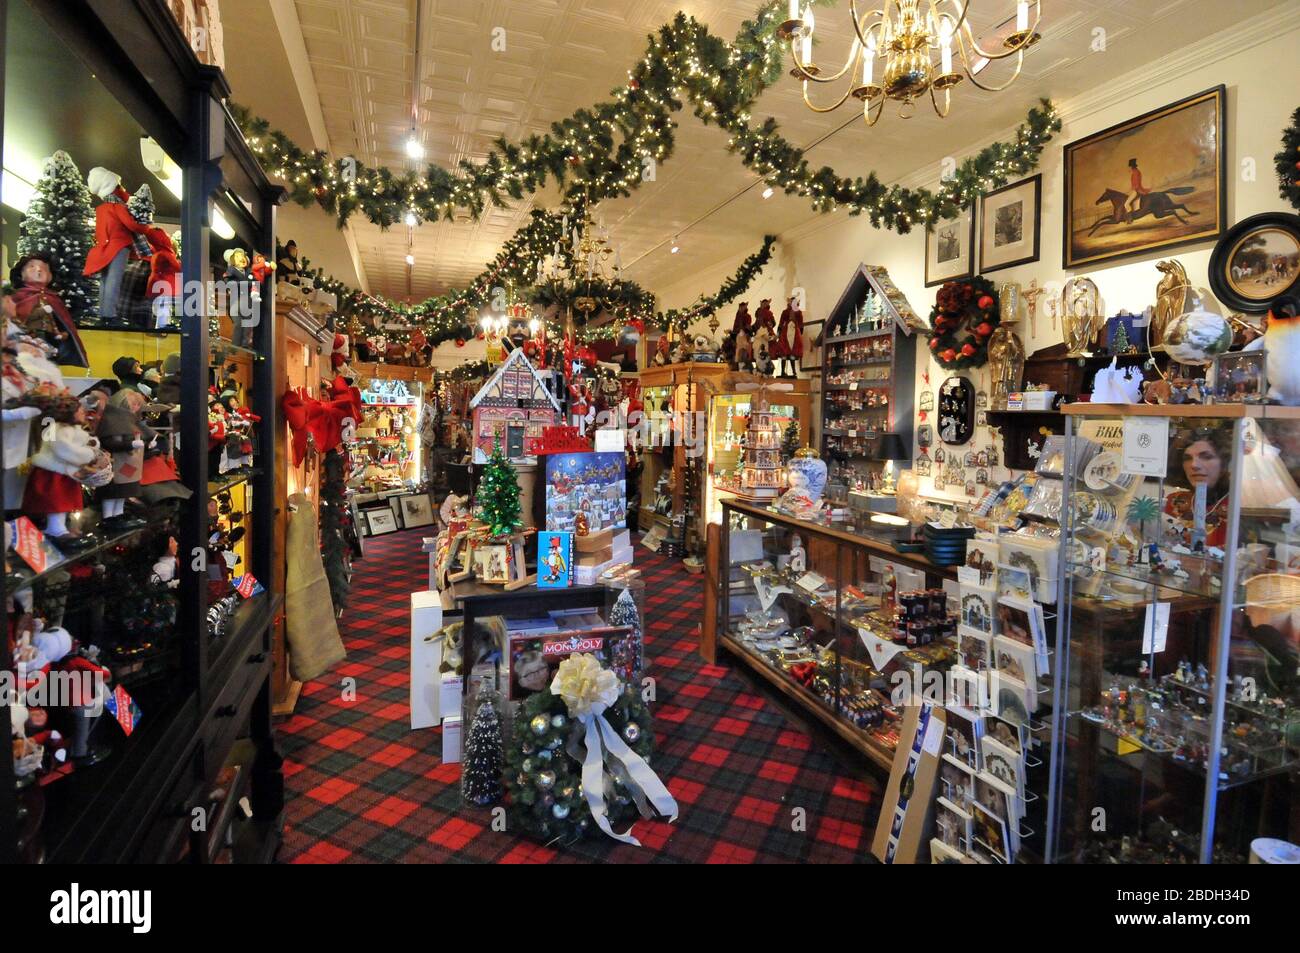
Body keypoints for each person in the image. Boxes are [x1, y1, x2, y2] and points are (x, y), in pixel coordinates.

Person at [1163, 427, 1232, 549]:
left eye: (1206, 457)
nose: (1194, 465)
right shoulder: (1173, 502)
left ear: (1225, 463)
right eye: (1187, 458)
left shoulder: (1238, 508)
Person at [1125, 157, 1150, 223]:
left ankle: (1130, 219)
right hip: (1136, 189)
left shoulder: (1135, 172)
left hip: (1137, 190)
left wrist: (1132, 190)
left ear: (1132, 166)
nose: (1130, 168)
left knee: (1126, 204)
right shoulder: (1135, 171)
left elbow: (1136, 184)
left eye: (1130, 166)